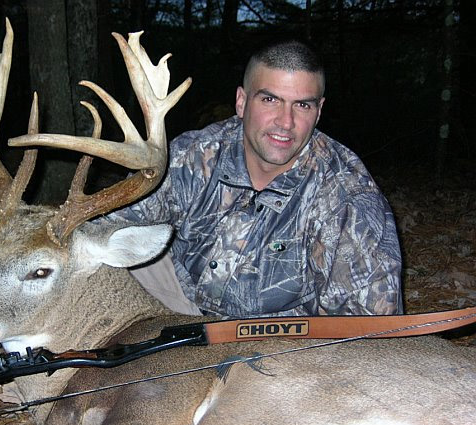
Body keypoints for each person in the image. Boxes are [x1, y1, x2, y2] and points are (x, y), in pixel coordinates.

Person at [106, 37, 403, 319]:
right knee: (97, 252)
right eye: (270, 99)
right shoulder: (193, 156)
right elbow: (111, 225)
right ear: (241, 102)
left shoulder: (349, 199)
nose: (286, 122)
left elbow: (374, 330)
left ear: (319, 110)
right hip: (180, 303)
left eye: (302, 105)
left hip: (279, 344)